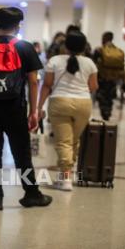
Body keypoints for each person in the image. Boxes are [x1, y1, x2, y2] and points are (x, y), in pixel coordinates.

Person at [0, 7, 52, 211]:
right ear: (18, 25)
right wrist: (34, 111)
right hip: (15, 108)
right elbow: (33, 82)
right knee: (21, 152)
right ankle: (32, 194)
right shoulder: (25, 47)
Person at [38, 31, 98, 191]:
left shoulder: (55, 60)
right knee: (73, 141)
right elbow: (93, 87)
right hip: (83, 104)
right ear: (84, 46)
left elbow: (47, 85)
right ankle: (64, 175)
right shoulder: (89, 63)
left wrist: (38, 107)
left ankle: (65, 179)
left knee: (64, 142)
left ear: (65, 45)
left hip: (60, 103)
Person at [93, 31, 125, 120]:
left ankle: (105, 115)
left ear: (104, 39)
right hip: (113, 80)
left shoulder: (99, 50)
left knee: (102, 99)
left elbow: (93, 64)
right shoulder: (118, 51)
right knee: (109, 99)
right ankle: (107, 115)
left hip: (102, 79)